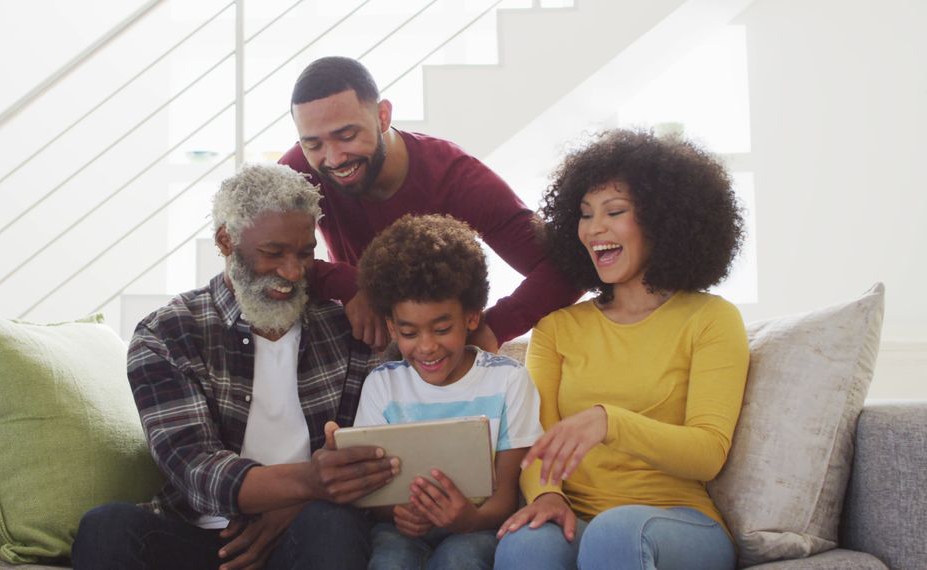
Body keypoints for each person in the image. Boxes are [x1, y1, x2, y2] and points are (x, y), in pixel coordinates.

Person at [72, 164, 400, 570]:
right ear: (226, 240)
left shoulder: (344, 329)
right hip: (203, 537)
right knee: (107, 528)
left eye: (304, 254)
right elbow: (193, 466)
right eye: (273, 253)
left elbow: (378, 453)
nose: (293, 273)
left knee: (334, 523)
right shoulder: (169, 333)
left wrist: (300, 503)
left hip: (307, 530)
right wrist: (308, 483)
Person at [493, 129, 750, 570]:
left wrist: (610, 422)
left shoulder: (711, 319)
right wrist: (549, 493)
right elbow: (535, 438)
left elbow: (708, 454)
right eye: (585, 214)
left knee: (616, 533)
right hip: (580, 517)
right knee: (525, 544)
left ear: (662, 221)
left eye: (615, 212)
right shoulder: (557, 328)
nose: (594, 229)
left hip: (675, 521)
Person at [279, 56, 581, 353]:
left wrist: (495, 328)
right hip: (358, 348)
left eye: (346, 136)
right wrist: (347, 284)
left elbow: (567, 267)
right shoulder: (298, 169)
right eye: (313, 144)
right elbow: (251, 250)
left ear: (383, 116)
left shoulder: (455, 178)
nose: (332, 159)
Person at [352, 214, 544, 569]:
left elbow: (505, 499)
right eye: (409, 333)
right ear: (392, 328)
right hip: (402, 530)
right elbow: (373, 496)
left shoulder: (508, 381)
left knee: (460, 560)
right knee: (391, 561)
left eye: (441, 329)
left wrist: (468, 520)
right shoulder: (382, 384)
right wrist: (398, 513)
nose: (426, 347)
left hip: (478, 528)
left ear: (471, 317)